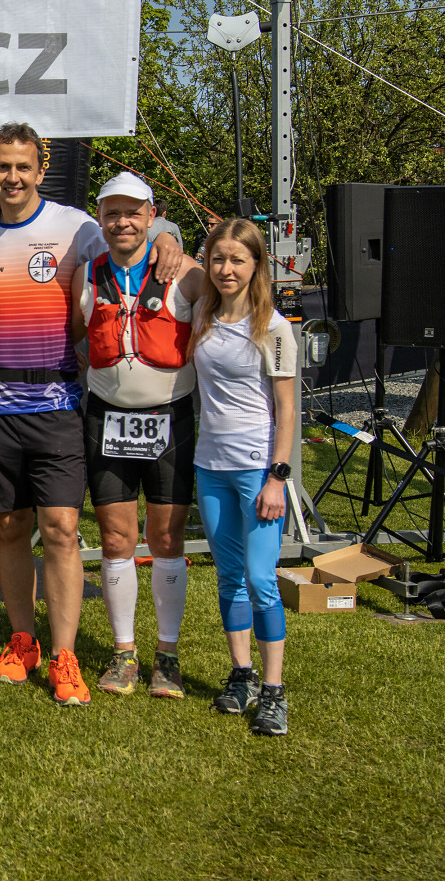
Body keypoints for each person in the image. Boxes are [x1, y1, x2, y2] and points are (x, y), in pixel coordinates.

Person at [0, 123, 183, 706]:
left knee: (60, 528)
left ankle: (64, 655)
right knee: (10, 528)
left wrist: (168, 236)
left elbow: (131, 235)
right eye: (3, 166)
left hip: (56, 403)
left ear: (41, 170)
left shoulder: (76, 226)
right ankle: (22, 641)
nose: (12, 177)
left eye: (23, 166)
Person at [70, 172, 203, 699]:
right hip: (107, 418)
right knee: (115, 539)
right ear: (100, 219)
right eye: (112, 213)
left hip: (171, 418)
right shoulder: (85, 274)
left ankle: (167, 656)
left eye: (133, 212)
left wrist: (172, 242)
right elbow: (74, 337)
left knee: (167, 538)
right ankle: (124, 653)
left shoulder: (186, 274)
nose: (122, 222)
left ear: (152, 216)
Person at [190, 218, 297, 737]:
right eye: (218, 258)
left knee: (261, 580)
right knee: (229, 577)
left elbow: (287, 409)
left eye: (238, 259)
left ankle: (274, 692)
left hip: (257, 469)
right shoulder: (202, 314)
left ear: (257, 265)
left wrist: (277, 477)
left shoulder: (273, 327)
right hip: (210, 466)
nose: (226, 269)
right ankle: (242, 676)